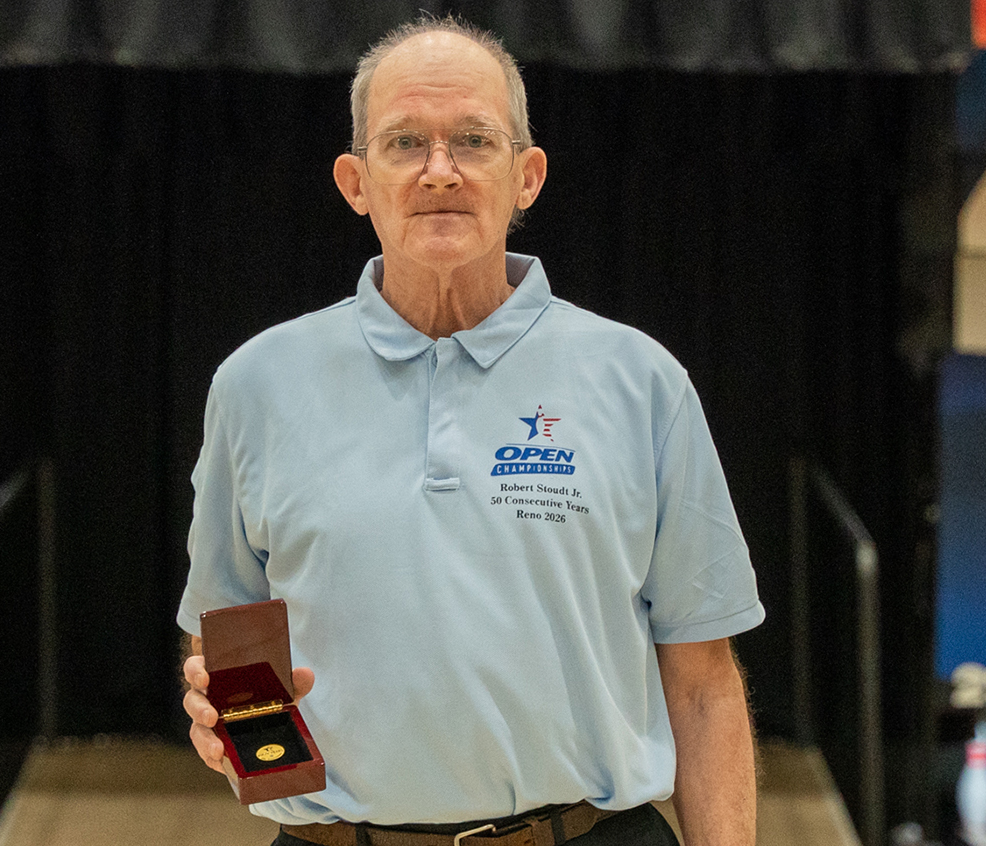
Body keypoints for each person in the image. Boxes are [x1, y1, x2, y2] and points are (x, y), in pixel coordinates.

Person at [179, 16, 764, 846]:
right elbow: (228, 631)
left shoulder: (642, 383)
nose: (439, 172)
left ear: (528, 176)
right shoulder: (255, 384)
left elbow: (703, 684)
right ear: (356, 182)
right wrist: (226, 720)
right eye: (405, 143)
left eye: (475, 142)